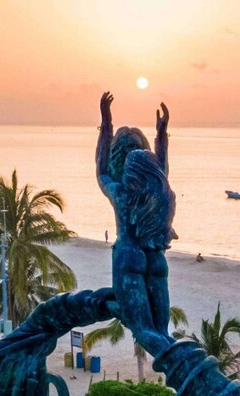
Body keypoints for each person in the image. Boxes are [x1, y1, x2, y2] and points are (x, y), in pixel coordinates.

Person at [95, 92, 175, 351]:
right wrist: (162, 135)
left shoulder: (119, 192)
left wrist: (106, 124)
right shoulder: (157, 186)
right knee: (163, 334)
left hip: (129, 258)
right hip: (156, 259)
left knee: (144, 332)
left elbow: (101, 169)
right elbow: (162, 166)